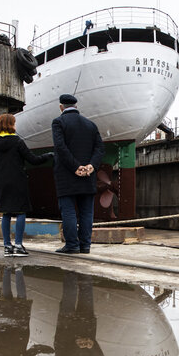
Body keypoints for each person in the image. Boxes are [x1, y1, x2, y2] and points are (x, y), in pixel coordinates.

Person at [0, 113, 53, 257]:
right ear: (10, 125)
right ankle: (19, 245)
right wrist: (48, 155)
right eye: (14, 123)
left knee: (6, 213)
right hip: (17, 181)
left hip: (2, 182)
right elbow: (32, 160)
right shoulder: (17, 142)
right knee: (21, 212)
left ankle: (7, 247)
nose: (15, 125)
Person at [52, 93, 104, 254]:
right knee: (87, 211)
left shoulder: (58, 122)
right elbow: (100, 148)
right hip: (88, 176)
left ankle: (72, 245)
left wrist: (76, 167)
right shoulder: (91, 125)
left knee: (68, 211)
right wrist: (91, 166)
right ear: (76, 106)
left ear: (61, 107)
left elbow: (60, 148)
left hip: (67, 175)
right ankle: (85, 245)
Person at [53, 272, 104, 356]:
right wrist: (77, 345)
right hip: (66, 332)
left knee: (86, 293)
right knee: (69, 295)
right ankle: (70, 269)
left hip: (86, 330)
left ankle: (86, 271)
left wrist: (91, 345)